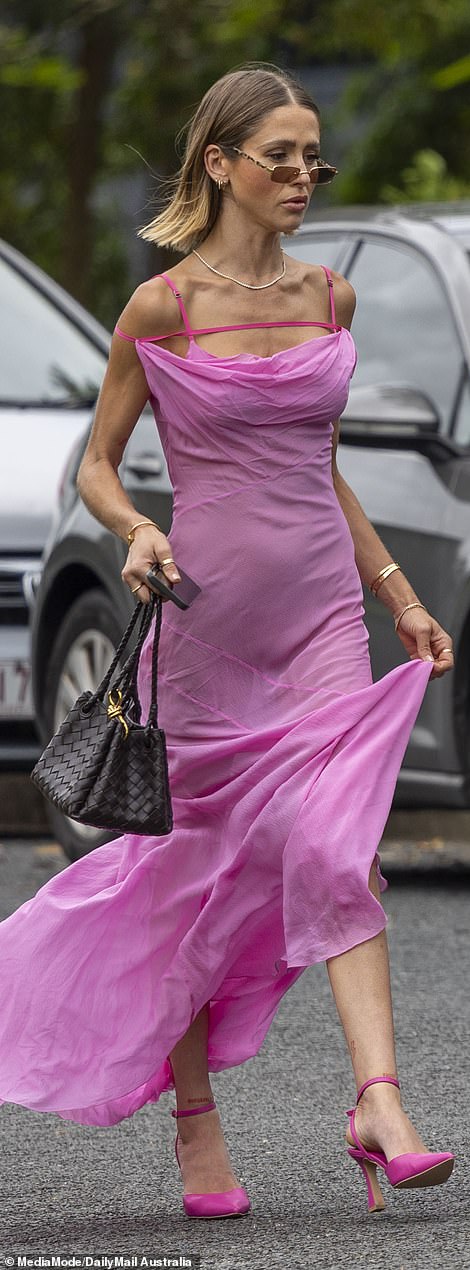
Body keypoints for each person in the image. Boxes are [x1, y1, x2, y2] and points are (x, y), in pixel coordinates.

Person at [0, 63, 455, 1219]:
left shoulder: (326, 299)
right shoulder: (164, 307)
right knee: (189, 879)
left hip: (317, 621)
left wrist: (396, 592)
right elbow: (94, 464)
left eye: (316, 158)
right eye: (282, 157)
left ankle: (378, 1098)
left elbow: (322, 472)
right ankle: (196, 1128)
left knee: (335, 844)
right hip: (204, 628)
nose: (304, 175)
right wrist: (136, 526)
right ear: (220, 165)